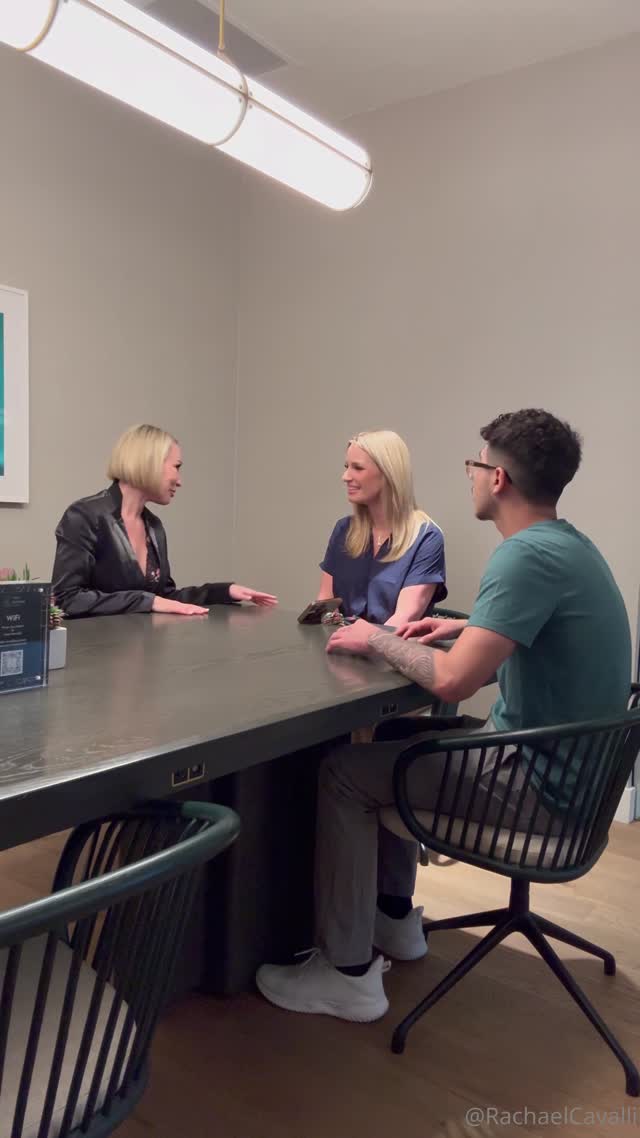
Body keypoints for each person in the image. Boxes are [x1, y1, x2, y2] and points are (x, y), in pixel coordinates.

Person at [256, 408, 631, 1022]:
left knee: (345, 772)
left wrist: (374, 637)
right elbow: (534, 642)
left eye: (475, 465)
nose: (471, 476)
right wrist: (463, 628)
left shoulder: (523, 557)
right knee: (396, 734)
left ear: (499, 479)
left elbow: (457, 679)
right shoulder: (569, 547)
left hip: (537, 785)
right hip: (574, 775)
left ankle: (347, 975)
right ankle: (394, 919)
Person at [53, 424, 278, 618]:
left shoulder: (154, 526)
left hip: (143, 648)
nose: (179, 481)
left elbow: (165, 598)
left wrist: (223, 591)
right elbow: (67, 599)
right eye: (176, 467)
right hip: (95, 651)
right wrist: (146, 601)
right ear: (150, 462)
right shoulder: (84, 516)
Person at [317, 430, 447, 626]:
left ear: (388, 473)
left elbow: (404, 618)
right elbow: (325, 603)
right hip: (339, 641)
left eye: (357, 468)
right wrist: (326, 621)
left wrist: (362, 638)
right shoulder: (344, 530)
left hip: (391, 644)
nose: (345, 476)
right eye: (346, 467)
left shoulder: (425, 537)